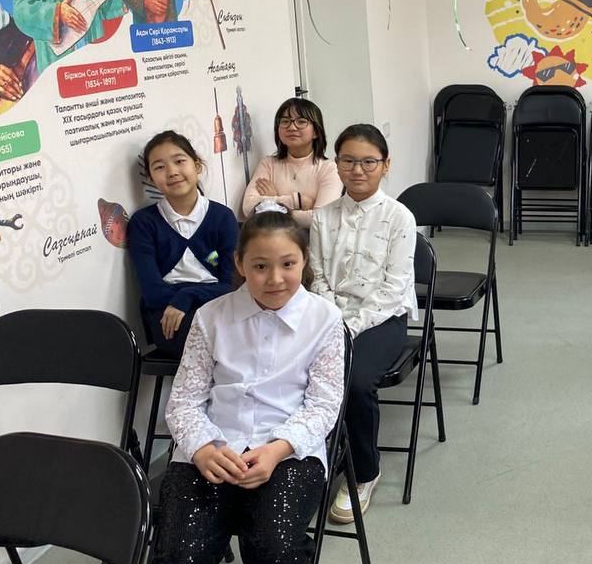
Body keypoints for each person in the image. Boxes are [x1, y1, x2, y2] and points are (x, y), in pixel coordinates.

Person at [153, 209, 351, 564]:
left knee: (275, 550)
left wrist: (278, 449)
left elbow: (323, 405)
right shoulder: (211, 317)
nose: (275, 278)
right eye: (260, 266)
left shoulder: (325, 320)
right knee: (179, 559)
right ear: (240, 264)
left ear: (304, 261)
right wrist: (203, 448)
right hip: (209, 451)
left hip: (287, 451)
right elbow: (184, 401)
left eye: (288, 264)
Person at [309, 123, 417, 523]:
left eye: (368, 162)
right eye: (348, 161)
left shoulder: (399, 218)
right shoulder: (322, 217)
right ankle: (311, 461)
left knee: (354, 381)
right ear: (336, 164)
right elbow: (317, 277)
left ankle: (364, 472)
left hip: (382, 319)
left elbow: (394, 288)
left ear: (385, 165)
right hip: (329, 315)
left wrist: (351, 326)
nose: (358, 170)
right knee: (293, 370)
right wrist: (333, 318)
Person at [128, 131, 239, 355]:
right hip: (168, 314)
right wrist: (177, 303)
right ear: (150, 178)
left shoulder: (223, 217)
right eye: (159, 167)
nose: (172, 172)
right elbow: (152, 290)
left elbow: (232, 283)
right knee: (218, 339)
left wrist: (188, 296)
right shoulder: (143, 223)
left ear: (197, 165)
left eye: (179, 161)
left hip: (219, 302)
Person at [242, 97, 343, 227]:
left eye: (301, 121)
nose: (292, 127)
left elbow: (321, 219)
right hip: (273, 238)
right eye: (285, 121)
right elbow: (248, 207)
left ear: (316, 132)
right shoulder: (268, 164)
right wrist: (298, 201)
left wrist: (275, 204)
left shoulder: (329, 169)